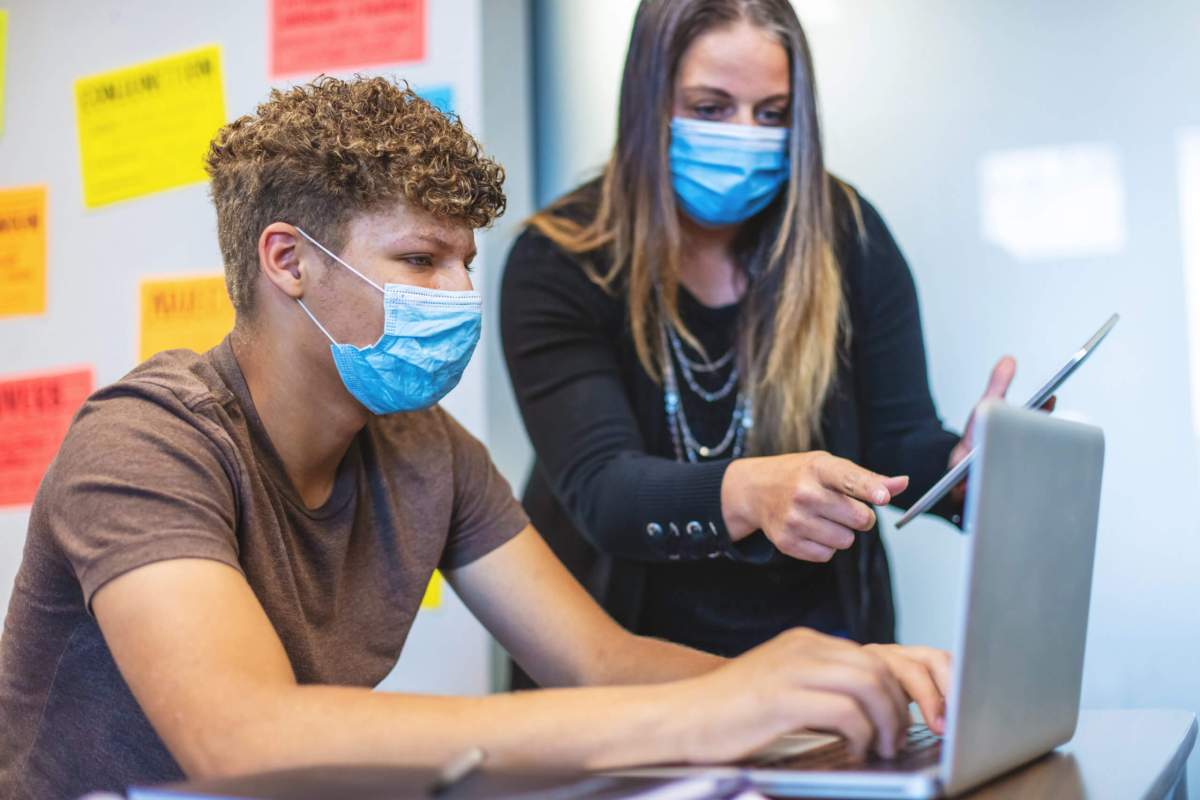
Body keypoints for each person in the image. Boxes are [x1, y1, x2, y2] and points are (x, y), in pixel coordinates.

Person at [0, 76, 951, 800]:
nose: (458, 295)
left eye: (463, 260)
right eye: (418, 259)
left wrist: (836, 684)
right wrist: (718, 708)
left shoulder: (427, 449)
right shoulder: (144, 443)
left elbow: (601, 662)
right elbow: (243, 739)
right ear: (287, 260)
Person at [501, 0, 1018, 672]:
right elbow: (605, 491)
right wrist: (751, 491)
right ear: (647, 102)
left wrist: (961, 471)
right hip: (625, 671)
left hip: (819, 661)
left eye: (772, 114)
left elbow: (897, 444)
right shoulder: (562, 259)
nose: (745, 135)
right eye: (711, 108)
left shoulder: (846, 235)